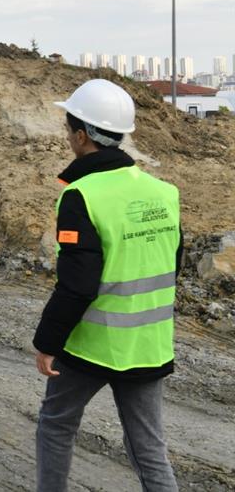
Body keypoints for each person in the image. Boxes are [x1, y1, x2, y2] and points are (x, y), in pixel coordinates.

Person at [34, 79, 181, 492]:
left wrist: (47, 341)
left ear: (81, 136)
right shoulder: (164, 192)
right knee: (149, 448)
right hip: (148, 342)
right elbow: (172, 263)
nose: (67, 139)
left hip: (91, 344)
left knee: (56, 426)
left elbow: (77, 285)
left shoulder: (81, 195)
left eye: (68, 131)